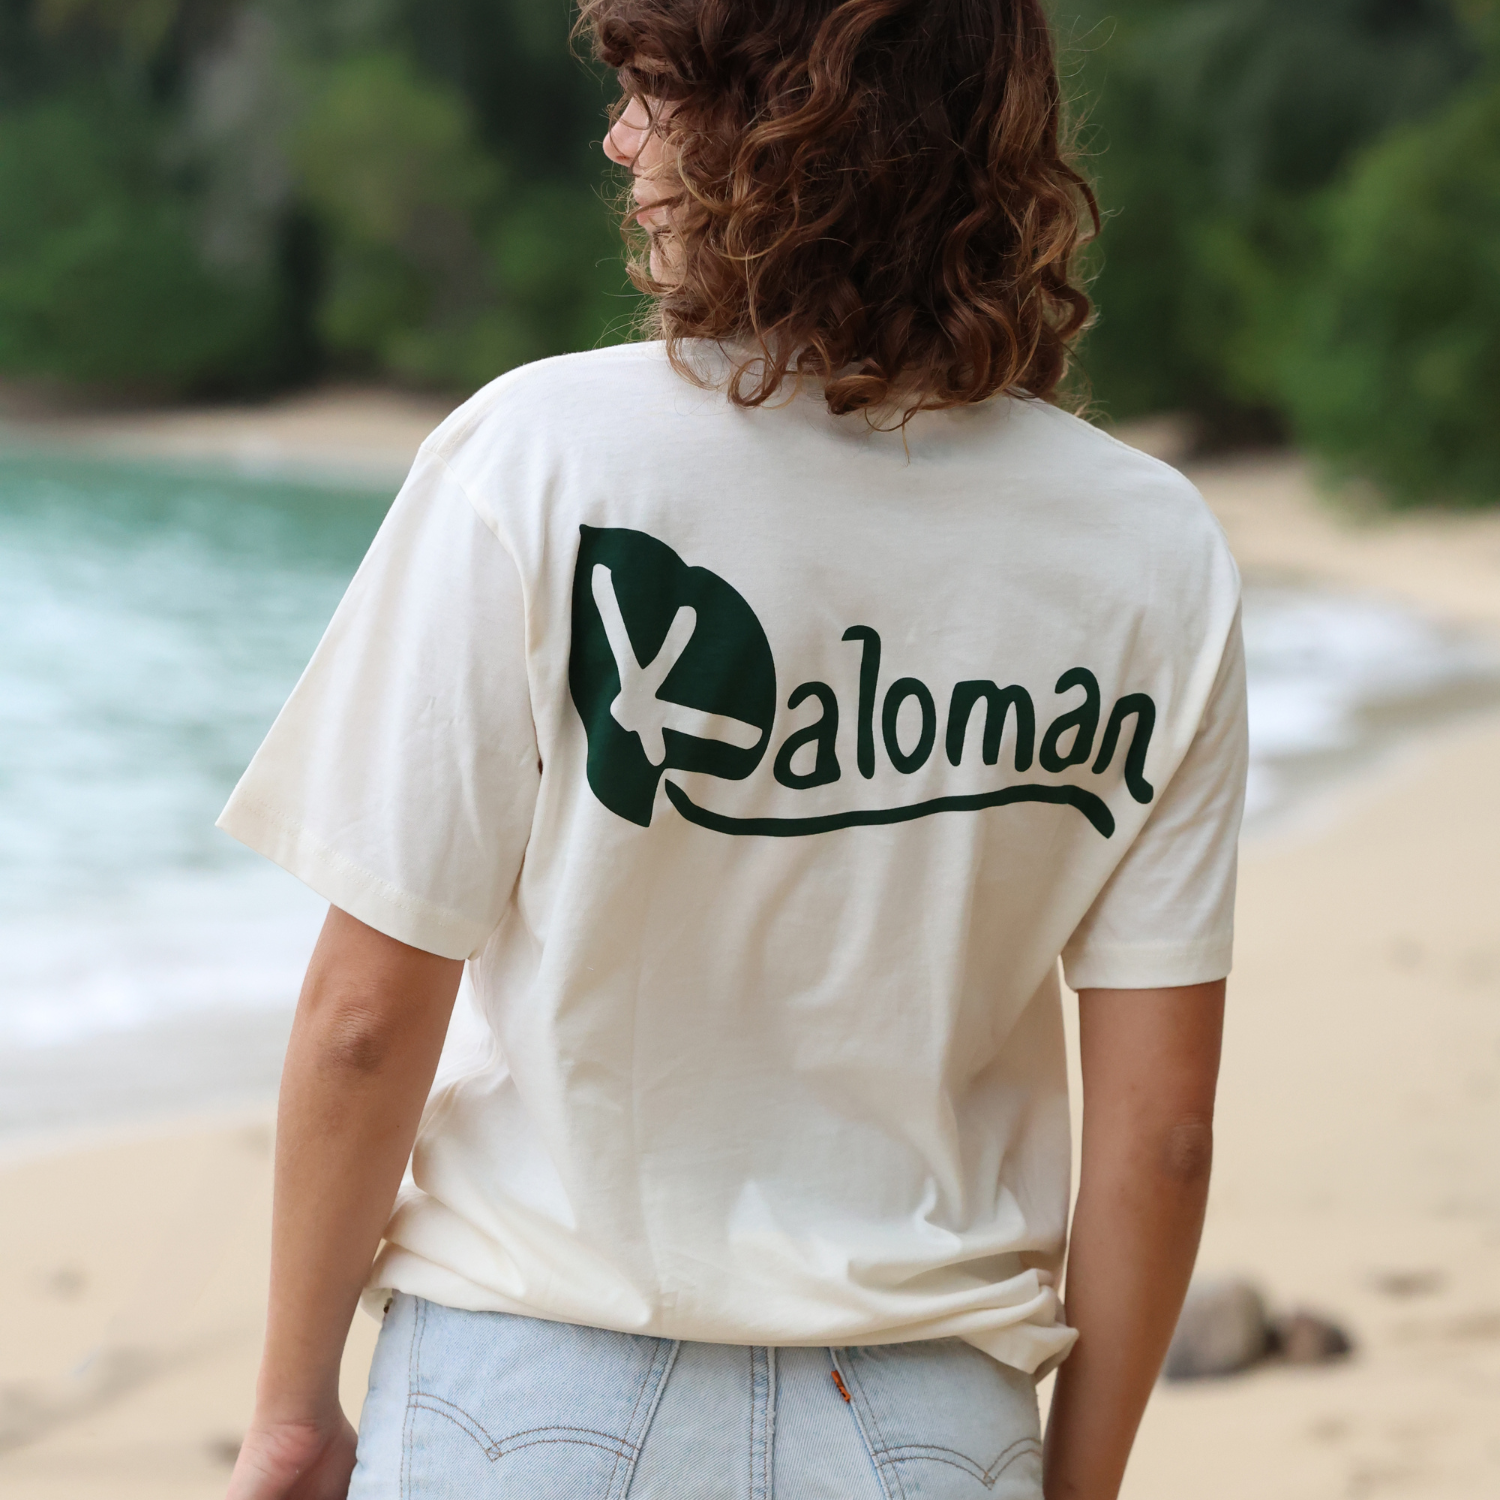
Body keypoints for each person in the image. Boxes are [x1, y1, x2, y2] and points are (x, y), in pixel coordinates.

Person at [222, 1, 1246, 1497]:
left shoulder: (536, 460)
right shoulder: (1150, 549)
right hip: (922, 1428)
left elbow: (368, 1018)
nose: (616, 137)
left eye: (654, 92)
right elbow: (1163, 1137)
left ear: (784, 128)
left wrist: (293, 1406)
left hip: (530, 1393)